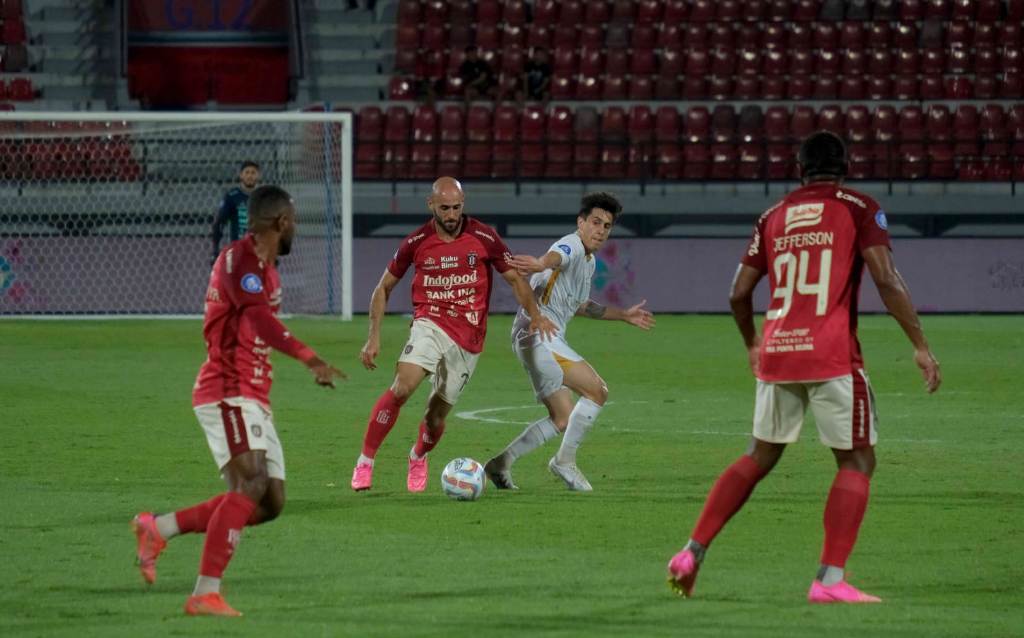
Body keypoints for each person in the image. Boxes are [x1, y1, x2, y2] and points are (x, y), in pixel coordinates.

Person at [666, 131, 941, 603]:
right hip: (831, 353)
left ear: (799, 170)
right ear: (846, 167)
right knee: (857, 459)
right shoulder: (859, 206)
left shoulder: (773, 216)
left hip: (779, 349)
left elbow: (737, 292)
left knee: (759, 455)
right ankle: (829, 581)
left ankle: (692, 552)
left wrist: (753, 342)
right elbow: (885, 277)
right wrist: (919, 343)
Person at [132, 185, 346, 617]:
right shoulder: (239, 260)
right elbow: (256, 317)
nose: (296, 230)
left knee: (270, 502)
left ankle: (159, 527)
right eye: (295, 222)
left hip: (252, 393)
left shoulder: (267, 271)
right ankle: (205, 592)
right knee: (249, 484)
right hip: (226, 389)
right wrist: (310, 358)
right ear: (281, 222)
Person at [350, 177, 557, 493]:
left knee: (435, 416)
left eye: (456, 207)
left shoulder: (484, 237)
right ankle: (365, 462)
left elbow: (515, 280)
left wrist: (536, 315)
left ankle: (418, 455)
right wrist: (373, 336)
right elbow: (384, 287)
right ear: (430, 204)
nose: (450, 214)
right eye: (444, 208)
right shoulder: (416, 241)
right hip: (429, 323)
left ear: (464, 203)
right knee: (404, 385)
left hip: (469, 338)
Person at [484, 192, 655, 492]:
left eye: (607, 226)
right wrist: (539, 263)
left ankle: (500, 464)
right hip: (540, 333)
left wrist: (623, 315)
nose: (600, 230)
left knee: (562, 417)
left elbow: (581, 305)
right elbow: (556, 256)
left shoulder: (587, 263)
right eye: (595, 222)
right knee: (597, 391)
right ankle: (564, 461)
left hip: (536, 336)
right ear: (581, 222)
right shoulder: (573, 244)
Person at [211, 161, 260, 263]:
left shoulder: (263, 197)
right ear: (241, 175)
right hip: (238, 249)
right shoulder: (232, 196)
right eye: (247, 172)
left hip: (259, 250)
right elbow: (219, 222)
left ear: (258, 176)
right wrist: (215, 249)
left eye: (253, 173)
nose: (250, 176)